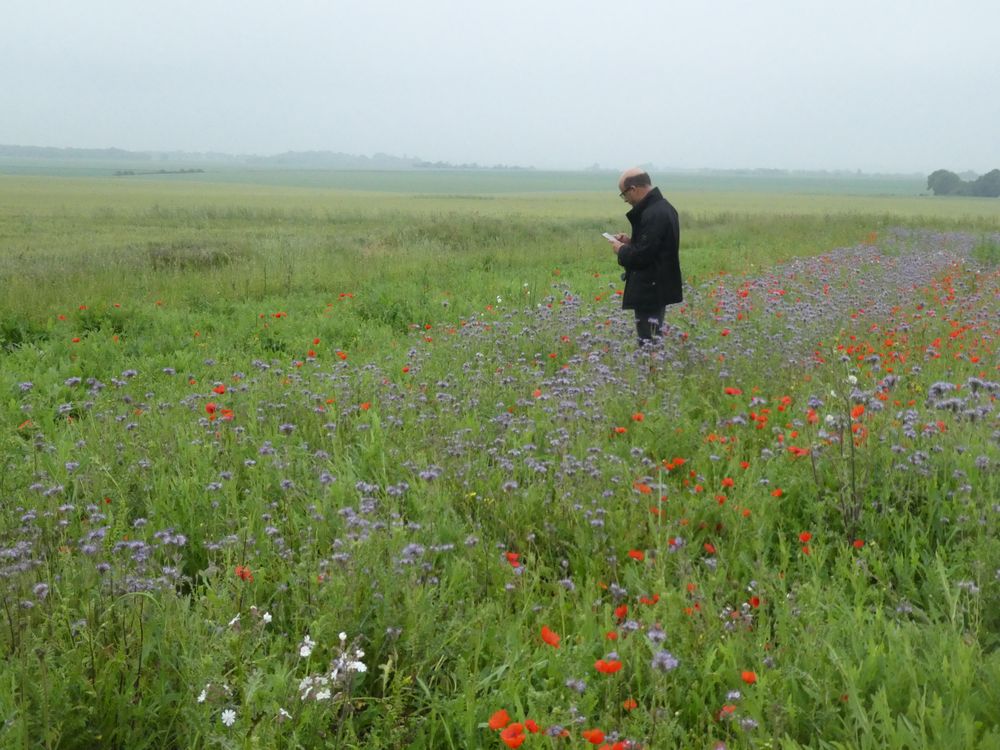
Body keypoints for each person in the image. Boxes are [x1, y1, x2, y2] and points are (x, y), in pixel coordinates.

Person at [606, 168, 682, 344]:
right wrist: (630, 242)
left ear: (634, 188)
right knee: (652, 337)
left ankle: (651, 371)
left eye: (624, 194)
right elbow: (654, 248)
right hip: (658, 285)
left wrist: (621, 249)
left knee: (649, 341)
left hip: (651, 288)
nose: (625, 200)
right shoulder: (664, 208)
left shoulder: (653, 213)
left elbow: (642, 257)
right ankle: (652, 368)